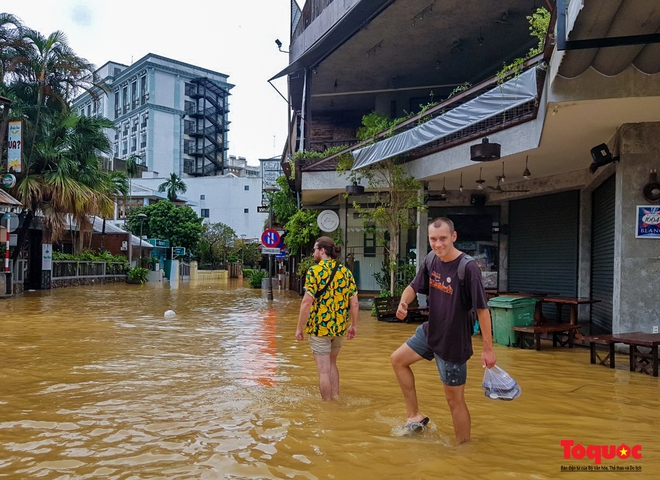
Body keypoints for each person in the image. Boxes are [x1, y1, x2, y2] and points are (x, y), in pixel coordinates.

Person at [390, 217, 497, 443]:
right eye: (433, 239)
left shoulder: (468, 268)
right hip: (431, 332)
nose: (438, 244)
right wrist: (403, 302)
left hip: (454, 342)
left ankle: (463, 447)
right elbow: (413, 285)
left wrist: (488, 349)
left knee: (454, 400)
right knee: (398, 360)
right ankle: (414, 416)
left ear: (453, 237)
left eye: (443, 239)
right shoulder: (430, 259)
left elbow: (482, 310)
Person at [296, 236, 359, 400]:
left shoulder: (314, 271)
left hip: (319, 328)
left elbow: (306, 302)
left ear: (322, 250)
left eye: (315, 249)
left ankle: (328, 408)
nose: (313, 253)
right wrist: (354, 325)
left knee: (323, 370)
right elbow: (355, 303)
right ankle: (336, 397)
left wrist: (299, 328)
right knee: (332, 364)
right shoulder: (345, 272)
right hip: (339, 328)